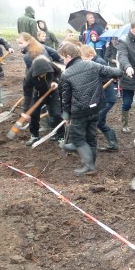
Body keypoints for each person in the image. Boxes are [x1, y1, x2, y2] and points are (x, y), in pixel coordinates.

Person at [58, 43, 123, 175]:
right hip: (96, 108)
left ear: (69, 56)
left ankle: (89, 166)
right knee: (91, 137)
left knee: (78, 139)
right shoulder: (92, 65)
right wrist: (117, 75)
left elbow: (65, 99)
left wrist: (66, 116)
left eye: (63, 58)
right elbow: (116, 72)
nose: (62, 60)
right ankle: (91, 163)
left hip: (80, 112)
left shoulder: (66, 74)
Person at [80, 45, 119, 152]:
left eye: (84, 58)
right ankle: (113, 144)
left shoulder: (99, 62)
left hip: (107, 98)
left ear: (90, 55)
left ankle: (89, 146)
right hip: (101, 98)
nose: (83, 61)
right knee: (100, 122)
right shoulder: (93, 62)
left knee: (95, 121)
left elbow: (107, 78)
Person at [21, 56, 64, 146]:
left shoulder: (51, 66)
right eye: (40, 74)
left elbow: (59, 72)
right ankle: (35, 135)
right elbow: (27, 93)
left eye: (45, 73)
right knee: (33, 114)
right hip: (38, 95)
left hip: (53, 93)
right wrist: (26, 111)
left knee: (56, 114)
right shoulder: (29, 76)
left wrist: (55, 81)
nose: (43, 75)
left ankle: (61, 136)